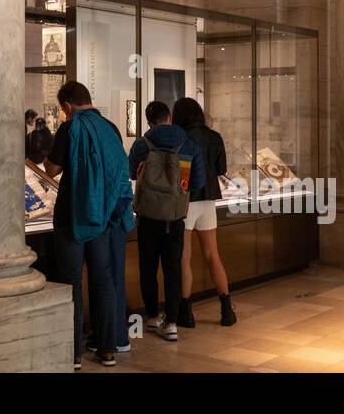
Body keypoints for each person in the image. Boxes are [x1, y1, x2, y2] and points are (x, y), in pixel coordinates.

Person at [44, 80, 134, 369]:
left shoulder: (70, 128)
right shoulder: (111, 128)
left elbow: (53, 168)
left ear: (68, 106)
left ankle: (73, 354)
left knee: (71, 283)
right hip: (104, 217)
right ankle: (107, 349)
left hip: (72, 217)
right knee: (103, 280)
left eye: (62, 110)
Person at [127, 100, 204, 341]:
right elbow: (198, 181)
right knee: (173, 269)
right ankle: (171, 322)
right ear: (169, 116)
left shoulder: (142, 145)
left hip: (148, 216)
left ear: (149, 120)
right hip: (174, 216)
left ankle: (151, 316)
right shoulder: (188, 144)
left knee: (147, 268)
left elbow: (131, 173)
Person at [172, 97, 237, 328]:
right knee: (213, 255)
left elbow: (179, 174)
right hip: (209, 199)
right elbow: (221, 169)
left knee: (184, 257)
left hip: (187, 201)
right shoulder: (214, 137)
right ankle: (226, 309)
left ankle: (186, 313)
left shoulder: (180, 138)